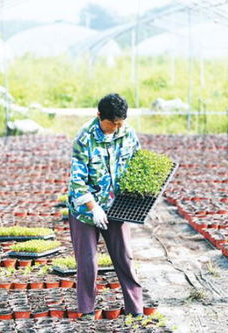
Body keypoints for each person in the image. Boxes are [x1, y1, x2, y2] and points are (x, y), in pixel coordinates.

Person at [67, 93, 143, 319]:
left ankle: (135, 308)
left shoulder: (127, 133)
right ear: (99, 116)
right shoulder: (84, 138)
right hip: (85, 210)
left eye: (120, 123)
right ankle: (87, 310)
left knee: (125, 258)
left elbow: (137, 165)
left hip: (117, 207)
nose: (116, 127)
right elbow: (77, 181)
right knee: (88, 262)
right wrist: (93, 207)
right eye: (112, 123)